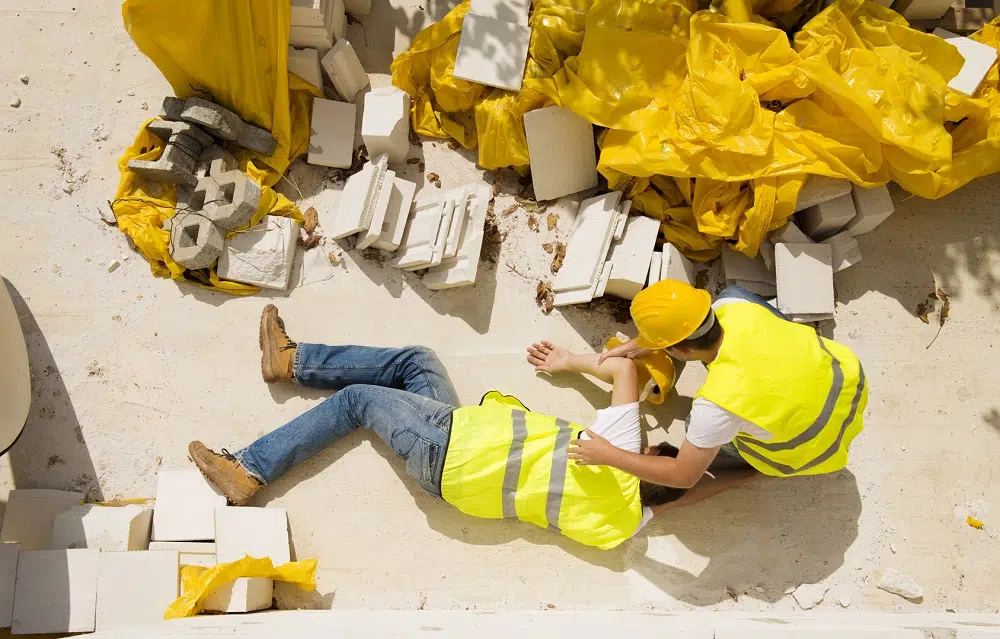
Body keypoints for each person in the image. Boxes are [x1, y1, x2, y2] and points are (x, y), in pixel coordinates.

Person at [189, 305, 755, 550]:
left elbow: (626, 368)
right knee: (418, 362)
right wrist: (757, 473)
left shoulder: (620, 445)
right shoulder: (623, 526)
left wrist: (573, 362)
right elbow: (686, 489)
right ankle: (290, 361)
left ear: (649, 450)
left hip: (450, 445)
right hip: (457, 473)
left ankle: (249, 469)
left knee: (359, 399)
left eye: (661, 443)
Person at [578, 279, 868, 487]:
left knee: (697, 428)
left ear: (679, 351)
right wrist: (646, 344)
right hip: (847, 386)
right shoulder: (735, 305)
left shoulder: (718, 405)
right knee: (737, 290)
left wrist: (609, 455)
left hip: (811, 451)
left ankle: (747, 461)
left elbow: (683, 477)